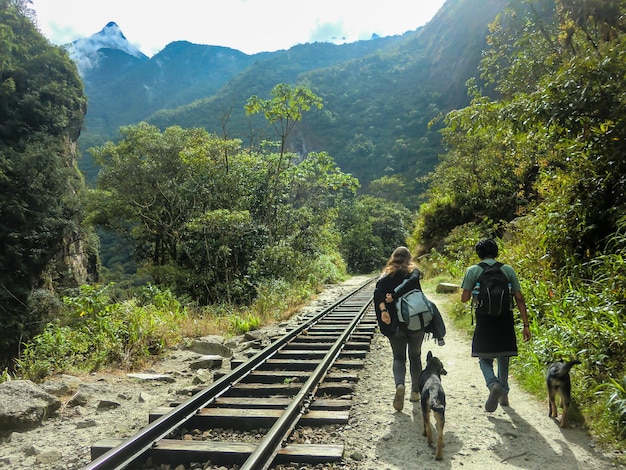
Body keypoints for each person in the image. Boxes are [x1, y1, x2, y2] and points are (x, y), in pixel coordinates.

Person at [460, 238, 531, 412]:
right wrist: (526, 324)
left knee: (484, 358)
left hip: (484, 320)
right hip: (505, 318)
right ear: (496, 252)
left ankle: (493, 384)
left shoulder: (473, 270)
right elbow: (519, 298)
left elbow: (465, 298)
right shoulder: (507, 270)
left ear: (479, 254)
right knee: (503, 356)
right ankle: (504, 393)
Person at [374, 246, 425, 411]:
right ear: (408, 258)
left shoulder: (386, 276)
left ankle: (400, 385)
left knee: (398, 358)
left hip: (395, 324)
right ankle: (415, 392)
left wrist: (383, 311)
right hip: (416, 322)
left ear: (393, 258)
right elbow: (412, 283)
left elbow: (377, 293)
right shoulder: (414, 272)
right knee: (415, 356)